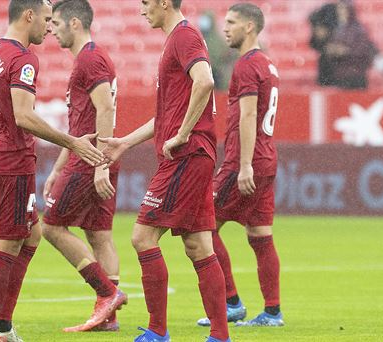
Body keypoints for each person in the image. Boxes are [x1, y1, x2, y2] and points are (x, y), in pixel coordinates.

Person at [0, 1, 116, 341]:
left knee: (30, 233)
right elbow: (23, 116)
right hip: (10, 161)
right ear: (28, 15)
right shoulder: (23, 59)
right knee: (5, 244)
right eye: (45, 19)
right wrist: (72, 142)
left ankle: (3, 326)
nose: (48, 26)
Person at [99, 1, 230, 341]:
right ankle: (220, 335)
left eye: (145, 3)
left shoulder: (184, 37)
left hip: (187, 153)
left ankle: (157, 331)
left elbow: (205, 81)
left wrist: (184, 133)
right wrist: (126, 142)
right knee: (199, 245)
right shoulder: (178, 39)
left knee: (142, 237)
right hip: (196, 152)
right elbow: (170, 112)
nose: (142, 10)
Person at [196, 3, 284, 328]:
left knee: (202, 226)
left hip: (243, 161)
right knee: (260, 235)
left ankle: (231, 303)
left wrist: (243, 164)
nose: (226, 28)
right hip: (266, 158)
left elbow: (248, 114)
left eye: (232, 22)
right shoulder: (268, 65)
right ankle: (273, 312)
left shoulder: (247, 66)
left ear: (249, 27)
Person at [43, 0, 126, 333]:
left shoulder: (89, 59)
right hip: (92, 155)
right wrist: (56, 169)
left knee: (50, 227)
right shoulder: (92, 58)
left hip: (91, 159)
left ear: (75, 23)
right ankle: (110, 317)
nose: (52, 29)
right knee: (99, 235)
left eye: (57, 24)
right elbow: (81, 126)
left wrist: (100, 163)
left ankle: (107, 294)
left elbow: (105, 108)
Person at [324, 0, 377, 89]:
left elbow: (363, 52)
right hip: (340, 75)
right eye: (339, 9)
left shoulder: (359, 30)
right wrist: (332, 50)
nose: (340, 12)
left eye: (343, 9)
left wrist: (345, 51)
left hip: (355, 75)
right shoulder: (338, 29)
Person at [308, 2, 338, 86]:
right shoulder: (328, 9)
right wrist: (319, 27)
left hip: (342, 68)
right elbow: (312, 17)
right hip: (328, 62)